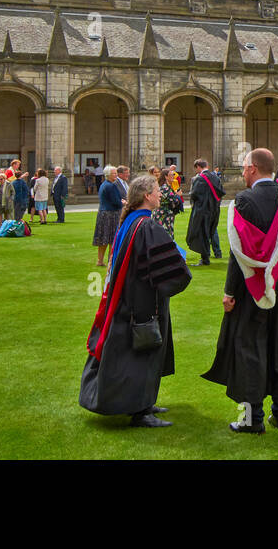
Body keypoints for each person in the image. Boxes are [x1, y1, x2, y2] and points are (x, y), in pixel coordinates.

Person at [202, 148, 278, 433]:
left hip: (252, 287)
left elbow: (240, 255)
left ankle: (252, 420)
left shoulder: (243, 201)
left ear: (252, 169)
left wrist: (229, 292)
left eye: (244, 167)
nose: (242, 172)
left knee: (250, 348)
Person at [80, 173, 192, 428]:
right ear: (146, 196)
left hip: (129, 299)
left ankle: (144, 402)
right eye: (156, 190)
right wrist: (179, 263)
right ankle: (141, 411)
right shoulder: (146, 226)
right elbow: (169, 265)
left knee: (135, 352)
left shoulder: (131, 222)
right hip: (143, 303)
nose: (161, 194)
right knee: (144, 352)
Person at [186, 158, 225, 262]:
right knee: (211, 231)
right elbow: (221, 192)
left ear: (198, 166)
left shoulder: (200, 178)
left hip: (203, 210)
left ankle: (205, 259)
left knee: (202, 233)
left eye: (196, 168)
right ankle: (217, 252)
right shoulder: (215, 177)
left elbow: (194, 194)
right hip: (214, 210)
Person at [94, 165, 123, 267]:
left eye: (116, 173)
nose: (116, 175)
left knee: (103, 239)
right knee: (112, 238)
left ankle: (100, 260)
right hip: (111, 214)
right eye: (114, 173)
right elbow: (116, 202)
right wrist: (123, 202)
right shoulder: (111, 186)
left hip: (103, 213)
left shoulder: (104, 184)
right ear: (108, 175)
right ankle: (111, 261)